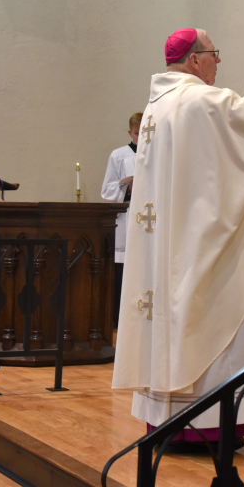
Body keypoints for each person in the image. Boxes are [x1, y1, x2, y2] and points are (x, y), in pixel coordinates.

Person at [112, 28, 244, 448]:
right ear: (195, 60)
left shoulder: (158, 105)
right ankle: (210, 429)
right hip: (197, 247)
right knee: (215, 313)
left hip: (171, 246)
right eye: (215, 54)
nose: (219, 62)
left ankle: (168, 424)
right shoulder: (195, 99)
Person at [101, 111, 142, 327]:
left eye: (144, 132)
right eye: (137, 133)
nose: (140, 137)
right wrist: (126, 186)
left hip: (151, 220)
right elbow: (107, 190)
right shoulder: (119, 155)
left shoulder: (159, 154)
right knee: (122, 273)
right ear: (130, 132)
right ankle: (119, 319)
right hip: (127, 221)